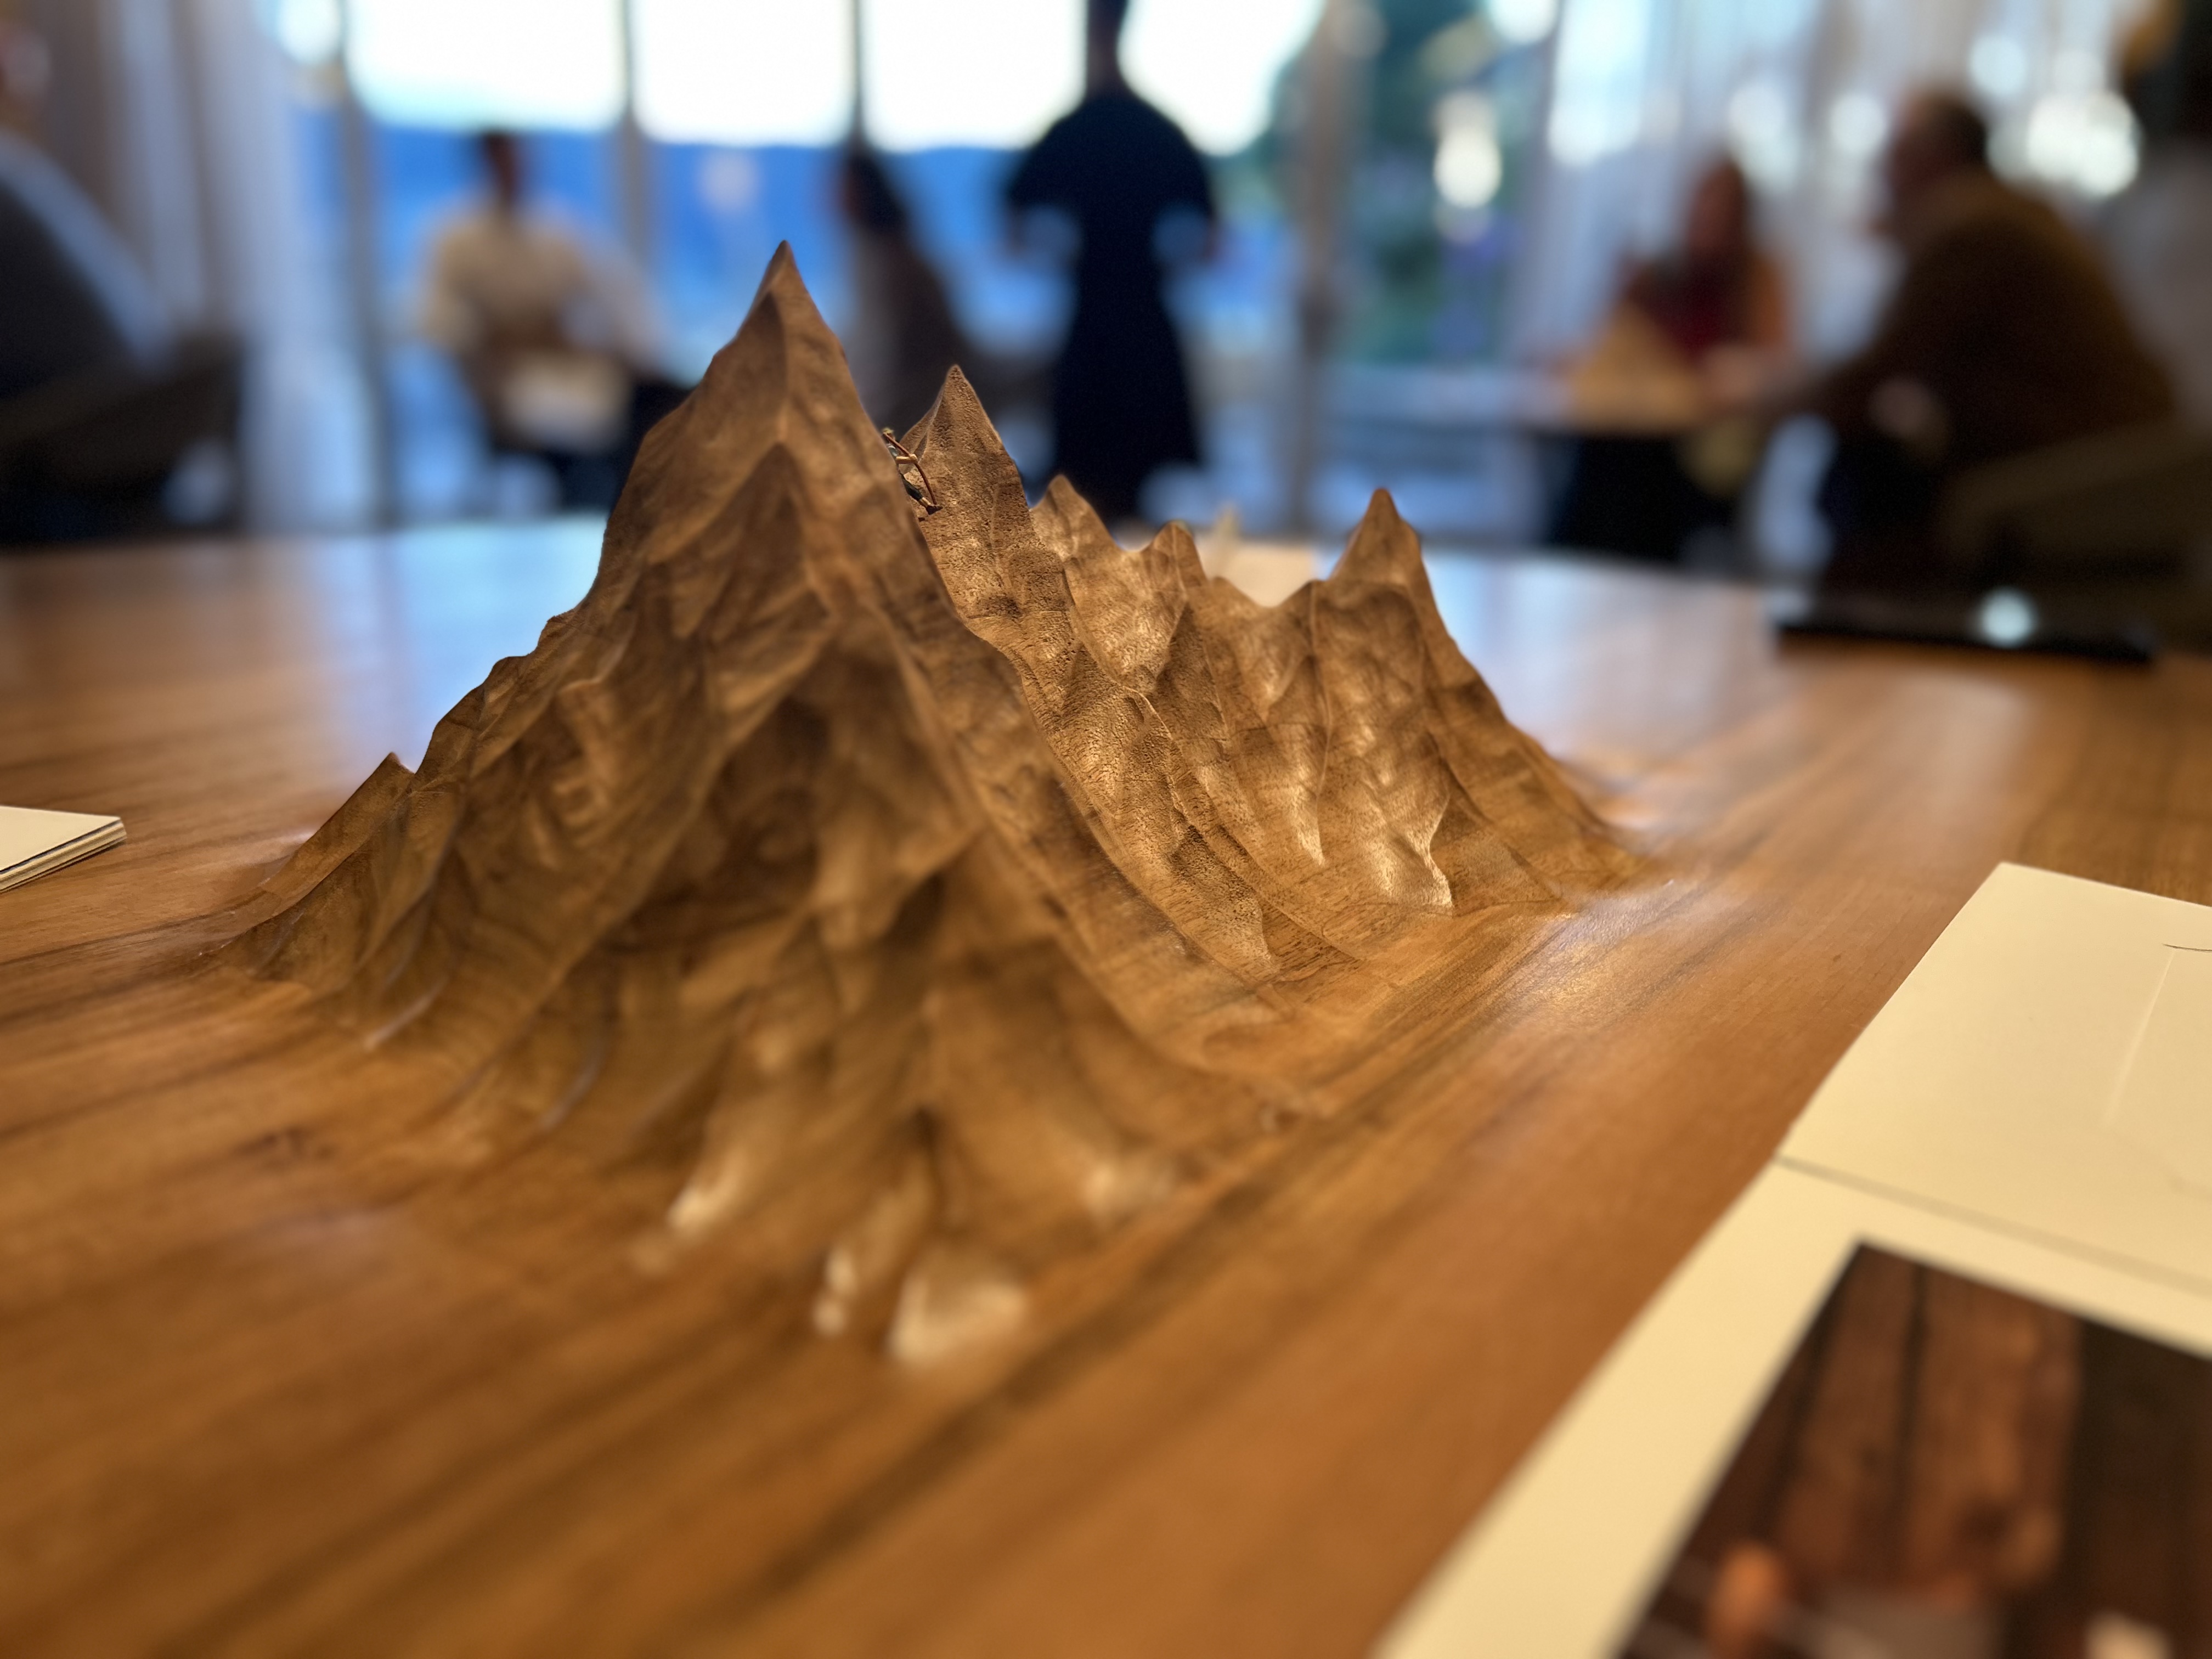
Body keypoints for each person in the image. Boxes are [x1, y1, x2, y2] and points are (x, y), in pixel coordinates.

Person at [1810, 92, 2174, 591]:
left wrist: (1760, 394)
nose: (1881, 176)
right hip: (2123, 464)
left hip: (2085, 477)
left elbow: (1873, 374)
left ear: (1935, 161)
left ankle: (1841, 632)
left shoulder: (1973, 230)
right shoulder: (2012, 214)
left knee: (1865, 486)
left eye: (1894, 156)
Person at [1006, 0, 1215, 526]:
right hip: (1141, 319)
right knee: (1125, 492)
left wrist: (1063, 257)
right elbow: (1211, 235)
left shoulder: (1074, 128)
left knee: (1087, 491)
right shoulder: (1156, 129)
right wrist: (1160, 265)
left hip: (1096, 322)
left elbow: (1012, 221)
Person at [1549, 158, 1792, 565]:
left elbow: (1771, 368)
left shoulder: (1757, 281)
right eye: (1701, 207)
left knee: (1630, 473)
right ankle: (1577, 565)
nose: (1707, 219)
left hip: (1706, 446)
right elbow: (1612, 343)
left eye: (1721, 211)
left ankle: (1601, 567)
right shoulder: (1655, 273)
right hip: (1635, 428)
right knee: (1605, 457)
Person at [420, 132, 672, 511]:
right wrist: (488, 356)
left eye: (518, 161)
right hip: (508, 380)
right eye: (503, 162)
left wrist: (631, 350)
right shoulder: (456, 238)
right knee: (575, 444)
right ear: (484, 165)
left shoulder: (555, 230)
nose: (512, 171)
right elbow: (438, 318)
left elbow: (614, 291)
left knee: (656, 402)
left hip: (568, 368)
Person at [840, 144, 978, 438]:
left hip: (916, 403)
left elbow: (890, 347)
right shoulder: (882, 254)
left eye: (844, 187)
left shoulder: (890, 263)